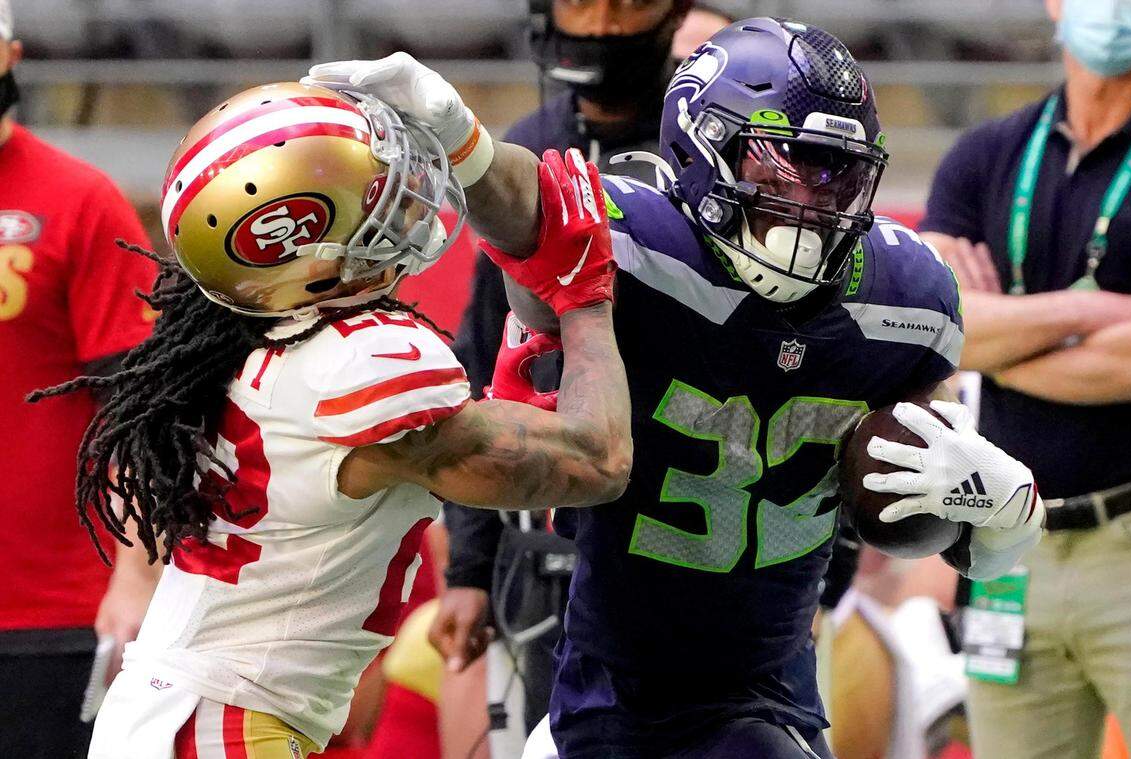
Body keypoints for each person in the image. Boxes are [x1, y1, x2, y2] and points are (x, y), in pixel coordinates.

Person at [312, 19, 1048, 757]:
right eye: (777, 168)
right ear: (701, 151)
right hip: (609, 695)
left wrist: (1004, 517)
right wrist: (461, 138)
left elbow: (925, 499)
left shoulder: (906, 300)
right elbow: (527, 204)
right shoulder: (645, 245)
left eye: (835, 171)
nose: (810, 204)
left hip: (769, 698)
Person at [39, 79, 631, 758]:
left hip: (190, 707)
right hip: (222, 720)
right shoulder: (362, 364)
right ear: (298, 238)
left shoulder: (242, 337)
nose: (399, 192)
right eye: (371, 186)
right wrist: (586, 293)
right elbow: (601, 460)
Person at [432, 0, 733, 746]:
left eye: (624, 7)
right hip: (549, 539)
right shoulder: (525, 152)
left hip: (689, 528)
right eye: (582, 6)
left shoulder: (707, 153)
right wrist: (471, 568)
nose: (600, 26)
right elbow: (479, 358)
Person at [919, 0, 1131, 755]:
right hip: (1009, 544)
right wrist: (1100, 312)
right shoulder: (985, 155)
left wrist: (999, 325)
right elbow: (938, 330)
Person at [0, 2, 162, 756]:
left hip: (54, 613)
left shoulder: (80, 200)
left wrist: (136, 577)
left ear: (10, 56)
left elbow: (140, 409)